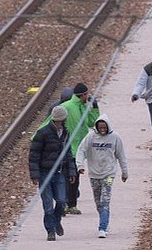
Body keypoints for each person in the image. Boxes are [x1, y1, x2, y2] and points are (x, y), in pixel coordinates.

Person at [28, 105, 77, 242]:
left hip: (60, 173)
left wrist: (72, 171)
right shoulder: (42, 133)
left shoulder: (66, 133)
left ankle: (56, 221)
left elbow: (68, 154)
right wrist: (35, 175)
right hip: (45, 174)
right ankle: (50, 231)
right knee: (48, 205)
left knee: (61, 201)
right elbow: (34, 155)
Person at [75, 116, 128, 239]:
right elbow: (81, 151)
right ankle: (105, 220)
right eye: (100, 128)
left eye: (104, 127)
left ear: (108, 127)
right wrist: (80, 165)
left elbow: (121, 155)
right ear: (97, 127)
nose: (102, 130)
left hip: (109, 174)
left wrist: (124, 172)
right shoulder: (91, 136)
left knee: (105, 199)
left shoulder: (115, 137)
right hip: (94, 175)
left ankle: (102, 227)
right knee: (98, 202)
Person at [58, 83, 101, 214]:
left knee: (75, 178)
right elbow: (52, 121)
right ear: (83, 95)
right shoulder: (67, 107)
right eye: (87, 94)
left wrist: (94, 108)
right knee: (67, 176)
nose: (88, 96)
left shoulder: (82, 107)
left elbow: (92, 123)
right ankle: (65, 204)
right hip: (67, 148)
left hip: (79, 149)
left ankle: (71, 204)